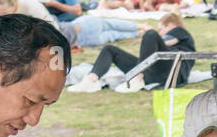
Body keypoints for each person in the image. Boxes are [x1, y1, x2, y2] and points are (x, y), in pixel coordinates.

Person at [67, 12, 195, 92]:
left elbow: (167, 41)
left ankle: (137, 77)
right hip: (153, 71)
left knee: (151, 34)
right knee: (109, 49)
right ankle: (91, 80)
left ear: (170, 25)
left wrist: (151, 37)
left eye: (162, 29)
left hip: (172, 71)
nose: (160, 32)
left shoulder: (180, 32)